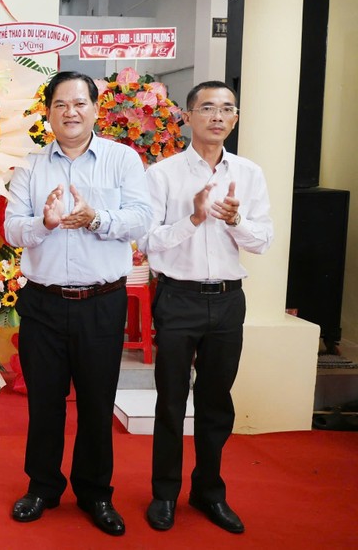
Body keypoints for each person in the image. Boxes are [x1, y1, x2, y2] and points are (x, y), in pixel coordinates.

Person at [4, 71, 152, 536]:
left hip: (100, 303)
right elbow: (12, 229)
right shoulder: (29, 166)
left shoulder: (122, 159)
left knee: (95, 403)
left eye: (80, 103)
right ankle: (42, 487)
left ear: (95, 109)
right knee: (44, 403)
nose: (71, 111)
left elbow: (142, 218)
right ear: (47, 111)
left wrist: (97, 218)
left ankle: (95, 493)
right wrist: (44, 225)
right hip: (42, 304)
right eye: (60, 103)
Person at [143, 81, 272, 534]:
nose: (218, 117)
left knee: (217, 402)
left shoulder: (250, 174)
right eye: (208, 108)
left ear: (235, 119)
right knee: (171, 402)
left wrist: (234, 220)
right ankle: (164, 493)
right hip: (178, 298)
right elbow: (147, 243)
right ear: (188, 116)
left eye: (227, 109)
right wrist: (194, 218)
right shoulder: (163, 174)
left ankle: (208, 492)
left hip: (228, 300)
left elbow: (263, 241)